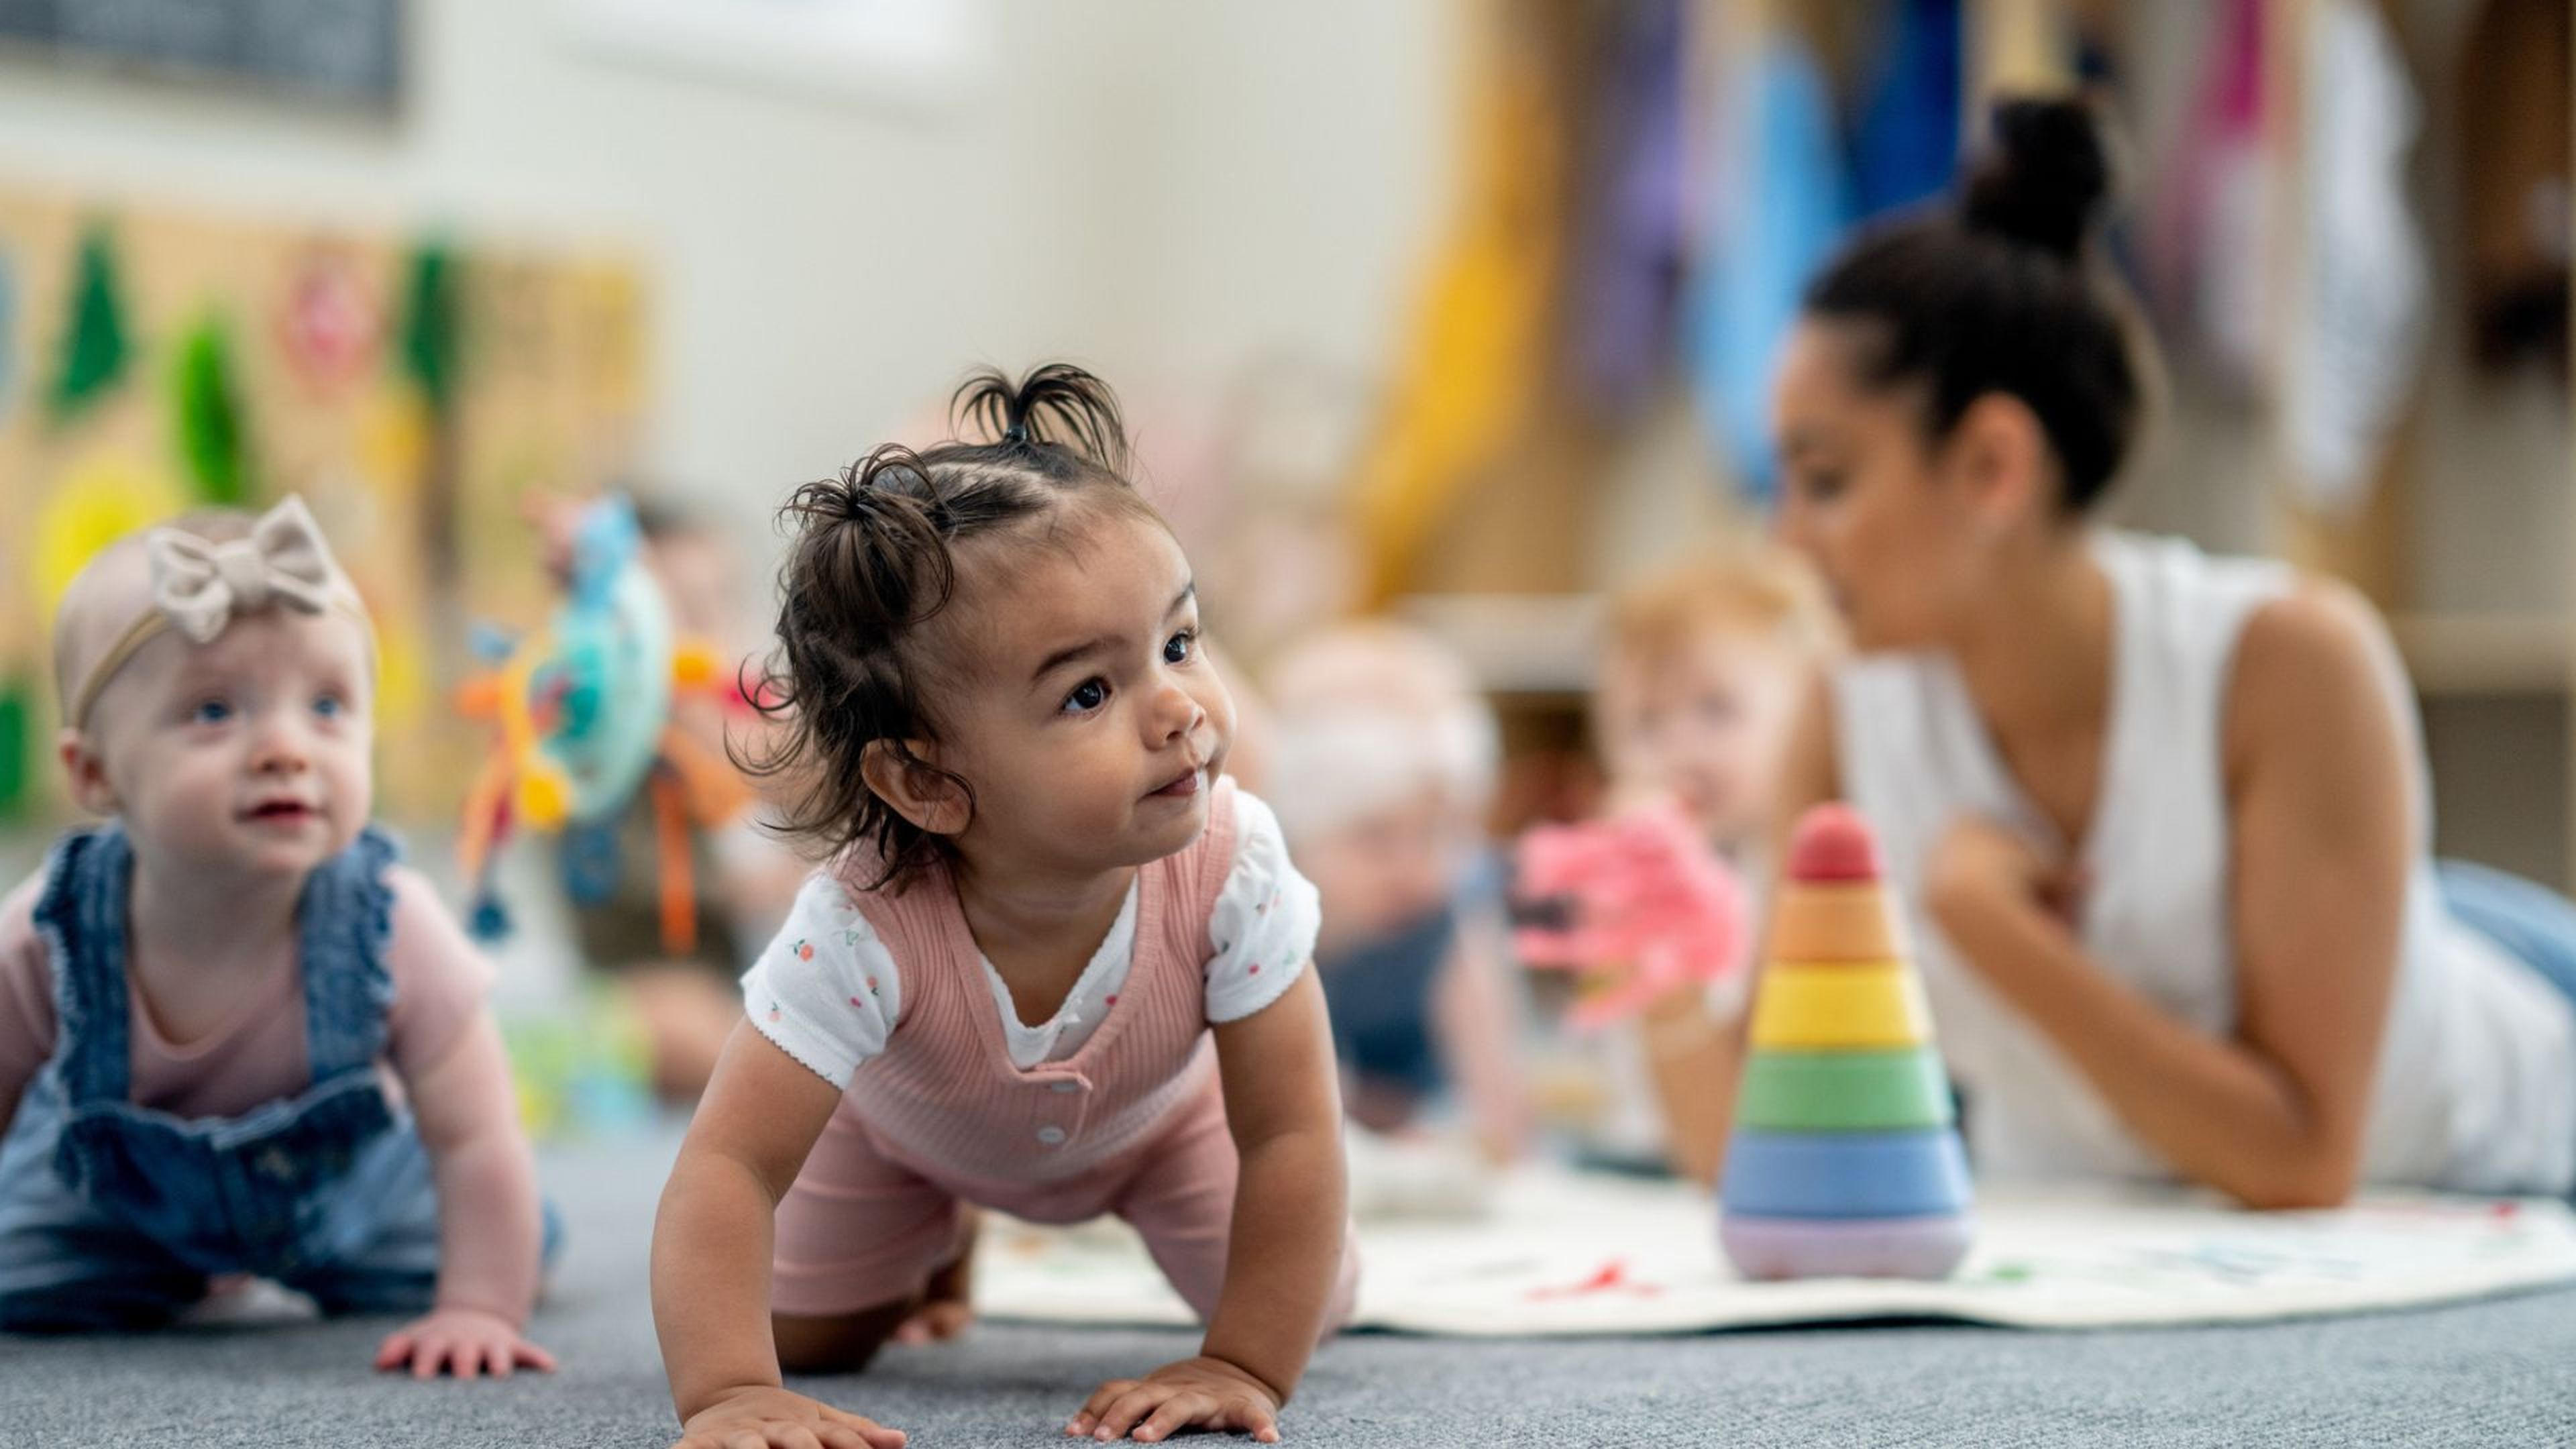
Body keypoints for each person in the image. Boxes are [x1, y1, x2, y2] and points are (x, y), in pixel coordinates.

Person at [1657, 97, 2576, 1208]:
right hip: (2141, 1230)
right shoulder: (1843, 711)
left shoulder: (2289, 662)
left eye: (1829, 478)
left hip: (2493, 1168)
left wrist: (1997, 932)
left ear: (1995, 464)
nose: (1785, 536)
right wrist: (1654, 975)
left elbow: (2304, 1159)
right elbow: (1779, 1159)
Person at [650, 366, 1355, 1449]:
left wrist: (1242, 1360)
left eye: (1178, 643)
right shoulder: (859, 923)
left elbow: (1293, 1132)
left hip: (1164, 1130)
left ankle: (1007, 1235)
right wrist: (730, 1390)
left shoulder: (1234, 863)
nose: (1177, 710)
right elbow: (730, 1167)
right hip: (899, 1138)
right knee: (817, 1336)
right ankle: (937, 1231)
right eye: (1088, 692)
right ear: (926, 783)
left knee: (1319, 1290)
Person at [0, 497, 558, 1377]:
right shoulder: (50, 934)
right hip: (111, 1208)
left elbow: (476, 1136)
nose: (286, 749)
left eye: (328, 706)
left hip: (347, 1197)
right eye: (216, 711)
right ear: (95, 772)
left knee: (507, 1233)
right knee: (18, 1282)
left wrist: (479, 1306)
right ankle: (174, 1272)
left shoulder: (392, 923)